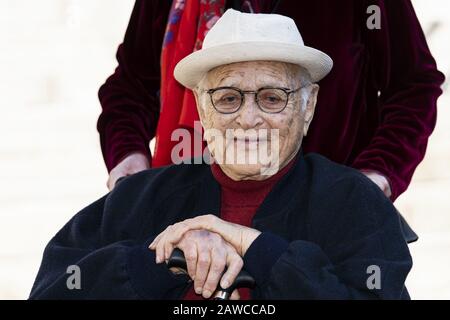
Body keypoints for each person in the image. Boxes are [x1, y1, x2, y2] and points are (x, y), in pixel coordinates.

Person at [30, 10, 412, 300]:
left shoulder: (353, 201)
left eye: (272, 97)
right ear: (200, 105)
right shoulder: (136, 199)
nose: (248, 119)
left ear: (308, 105)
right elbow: (55, 288)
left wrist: (256, 247)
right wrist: (167, 258)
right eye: (228, 98)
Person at [98, 0, 444, 203]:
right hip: (184, 208)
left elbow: (412, 83)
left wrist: (376, 174)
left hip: (325, 212)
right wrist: (128, 157)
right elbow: (131, 84)